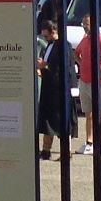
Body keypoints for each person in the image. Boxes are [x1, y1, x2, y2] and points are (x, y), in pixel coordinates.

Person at [36, 14, 79, 155]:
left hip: (60, 89)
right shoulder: (50, 45)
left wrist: (45, 66)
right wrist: (42, 69)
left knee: (62, 120)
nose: (46, 38)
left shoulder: (64, 46)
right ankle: (46, 150)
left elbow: (65, 68)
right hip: (49, 88)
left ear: (54, 31)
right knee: (47, 119)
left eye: (47, 36)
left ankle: (66, 152)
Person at [78, 20, 101, 152]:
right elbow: (76, 53)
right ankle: (89, 143)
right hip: (84, 81)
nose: (84, 26)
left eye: (87, 23)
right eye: (83, 24)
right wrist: (82, 64)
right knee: (88, 113)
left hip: (97, 83)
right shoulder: (85, 40)